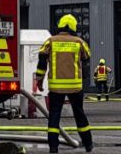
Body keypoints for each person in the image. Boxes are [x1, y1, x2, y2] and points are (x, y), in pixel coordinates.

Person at [35, 14, 94, 153]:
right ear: (74, 26)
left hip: (56, 87)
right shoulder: (79, 42)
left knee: (54, 116)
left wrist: (39, 80)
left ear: (60, 25)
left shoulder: (50, 41)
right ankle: (88, 145)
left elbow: (42, 62)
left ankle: (53, 147)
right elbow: (87, 57)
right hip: (75, 87)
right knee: (79, 114)